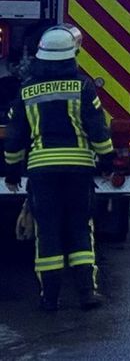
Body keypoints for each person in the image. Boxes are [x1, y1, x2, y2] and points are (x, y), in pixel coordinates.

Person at [4, 26, 114, 311]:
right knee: (80, 227)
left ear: (41, 56)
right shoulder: (83, 87)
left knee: (47, 231)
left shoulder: (26, 90)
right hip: (78, 171)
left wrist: (12, 172)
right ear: (71, 56)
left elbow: (15, 136)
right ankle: (86, 292)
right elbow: (98, 130)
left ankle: (49, 298)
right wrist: (107, 161)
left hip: (42, 173)